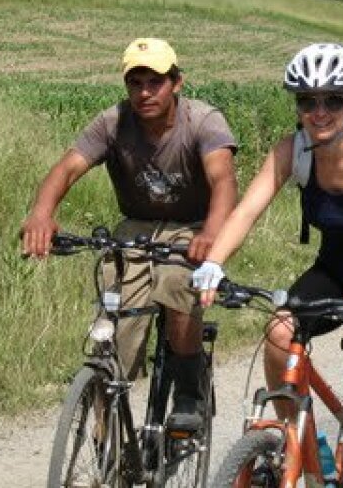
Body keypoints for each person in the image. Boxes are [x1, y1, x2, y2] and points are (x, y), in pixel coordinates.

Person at [192, 43, 343, 488]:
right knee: (279, 331)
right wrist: (214, 264)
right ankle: (307, 446)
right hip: (335, 269)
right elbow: (245, 212)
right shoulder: (292, 150)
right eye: (307, 101)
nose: (318, 112)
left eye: (331, 100)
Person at [21, 38, 237, 432]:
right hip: (135, 227)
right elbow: (67, 168)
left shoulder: (204, 121)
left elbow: (223, 181)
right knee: (116, 317)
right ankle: (110, 438)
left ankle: (190, 389)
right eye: (135, 82)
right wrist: (41, 214)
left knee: (178, 287)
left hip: (192, 225)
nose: (144, 92)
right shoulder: (113, 122)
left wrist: (212, 233)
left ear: (177, 83)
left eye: (154, 82)